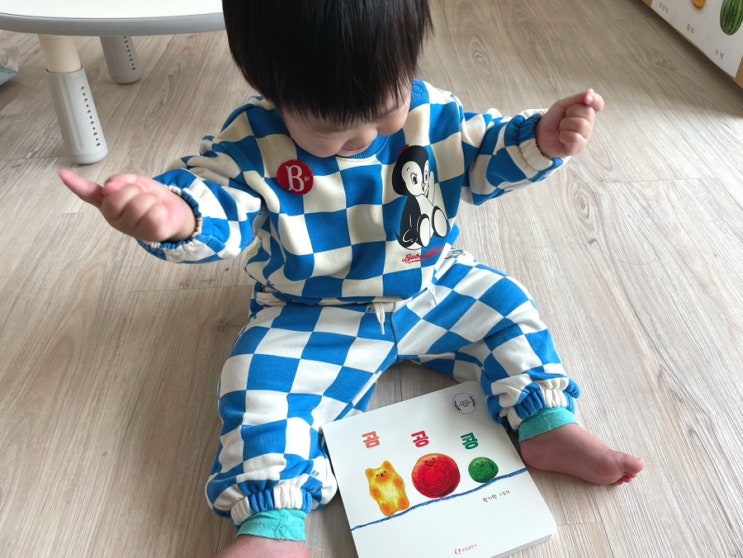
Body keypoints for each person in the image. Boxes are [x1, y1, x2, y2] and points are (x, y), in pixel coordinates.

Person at [59, 1, 644, 556]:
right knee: (256, 381)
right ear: (270, 88)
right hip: (310, 312)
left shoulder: (432, 113)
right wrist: (179, 216)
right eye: (331, 127)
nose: (365, 135)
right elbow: (218, 197)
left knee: (505, 305)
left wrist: (539, 139)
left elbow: (482, 152)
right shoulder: (252, 144)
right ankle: (273, 521)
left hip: (431, 285)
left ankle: (546, 420)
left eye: (386, 107)